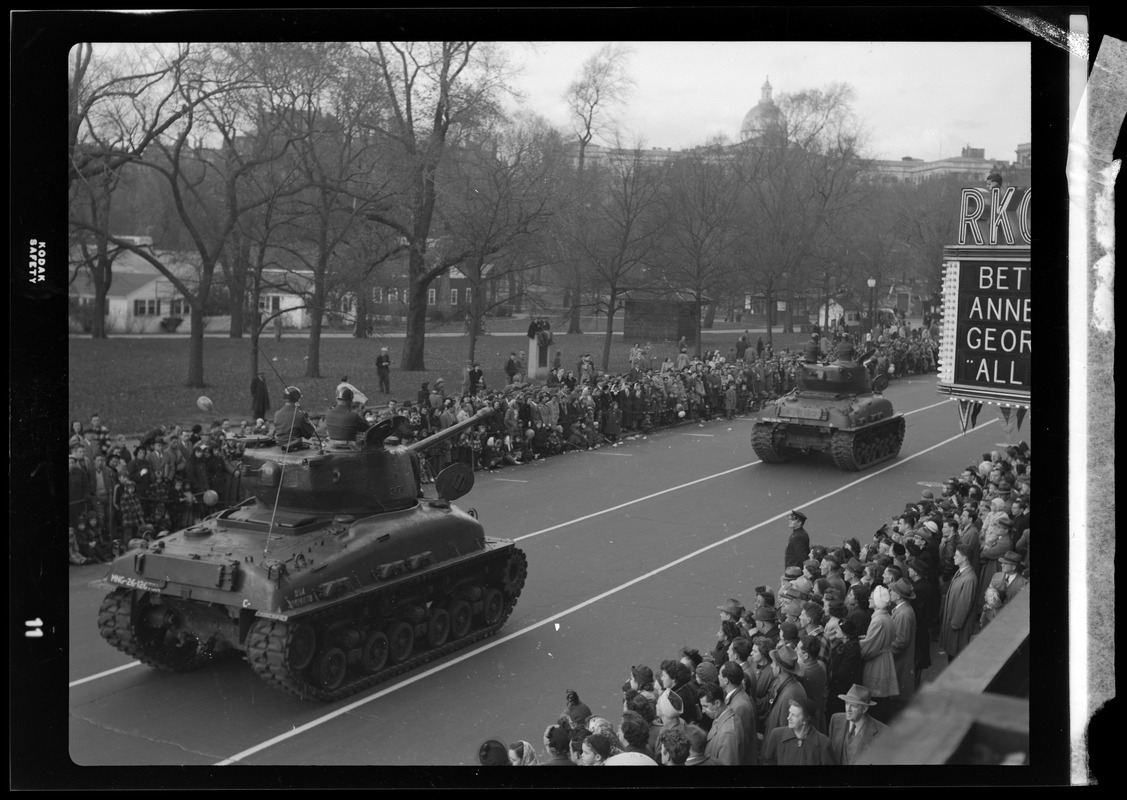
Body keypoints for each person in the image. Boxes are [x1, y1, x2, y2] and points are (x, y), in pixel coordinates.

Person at [858, 585, 899, 723]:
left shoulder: (877, 620)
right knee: (883, 701)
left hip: (877, 663)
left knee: (876, 701)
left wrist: (857, 643)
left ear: (876, 601)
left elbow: (868, 649)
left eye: (871, 597)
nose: (869, 599)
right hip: (885, 659)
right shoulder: (887, 616)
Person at [761, 696, 836, 766]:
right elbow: (768, 762)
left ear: (806, 719)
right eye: (789, 713)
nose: (788, 718)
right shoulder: (777, 735)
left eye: (793, 715)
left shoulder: (823, 744)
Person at [827, 684, 889, 765]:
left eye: (853, 706)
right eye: (846, 704)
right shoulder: (836, 720)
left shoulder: (882, 732)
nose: (848, 709)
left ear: (864, 709)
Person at [939, 544, 979, 663]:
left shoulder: (969, 578)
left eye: (956, 555)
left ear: (965, 558)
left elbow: (964, 604)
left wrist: (955, 624)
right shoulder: (961, 572)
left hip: (957, 625)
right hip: (952, 622)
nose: (953, 557)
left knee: (955, 657)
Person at [701, 682, 744, 766]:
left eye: (705, 706)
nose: (703, 711)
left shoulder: (729, 734)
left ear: (717, 703)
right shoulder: (719, 717)